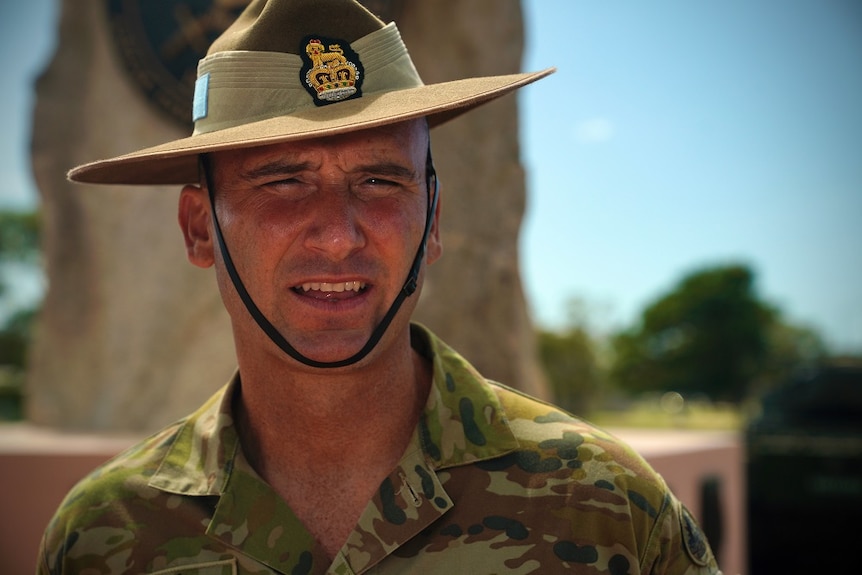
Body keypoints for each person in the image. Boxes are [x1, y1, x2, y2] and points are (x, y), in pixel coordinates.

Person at [38, 0, 722, 573]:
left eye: (379, 180)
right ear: (198, 228)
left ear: (432, 220)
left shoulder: (608, 506)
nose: (338, 234)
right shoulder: (103, 535)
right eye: (283, 180)